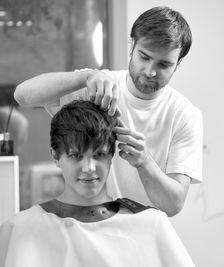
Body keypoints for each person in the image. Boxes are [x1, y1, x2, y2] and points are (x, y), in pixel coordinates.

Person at [14, 6, 203, 216]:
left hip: (142, 232)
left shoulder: (185, 115)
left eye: (164, 64)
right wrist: (85, 77)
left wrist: (145, 162)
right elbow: (23, 96)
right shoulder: (97, 86)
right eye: (144, 57)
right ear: (132, 46)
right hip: (89, 223)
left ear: (178, 63)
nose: (150, 71)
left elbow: (173, 205)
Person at [0, 100, 195, 267]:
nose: (88, 168)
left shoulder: (150, 224)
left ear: (112, 154)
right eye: (75, 156)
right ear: (55, 157)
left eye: (99, 154)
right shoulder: (21, 229)